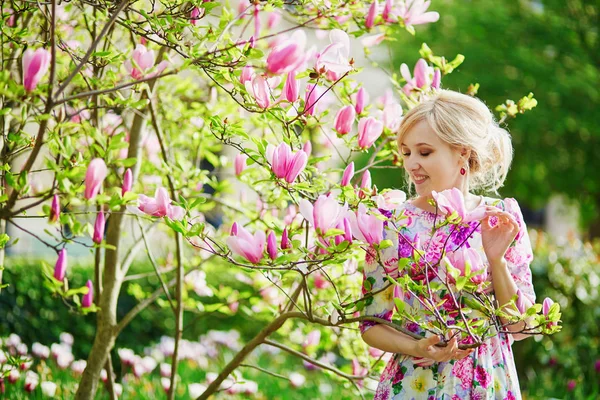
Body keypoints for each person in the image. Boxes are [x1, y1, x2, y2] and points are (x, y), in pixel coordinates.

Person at [360, 90, 536, 399]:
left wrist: (497, 261)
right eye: (406, 152)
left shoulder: (502, 219)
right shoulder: (392, 224)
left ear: (462, 155)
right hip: (415, 381)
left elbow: (521, 327)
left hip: (487, 380)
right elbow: (371, 324)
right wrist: (415, 345)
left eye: (424, 152)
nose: (412, 164)